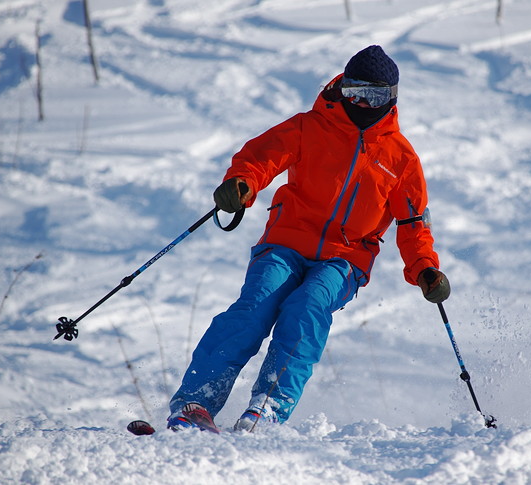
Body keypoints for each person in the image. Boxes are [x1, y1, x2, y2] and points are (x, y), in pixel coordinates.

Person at [168, 45, 450, 432]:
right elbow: (260, 157)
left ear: (393, 98)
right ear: (342, 86)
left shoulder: (401, 159)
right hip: (285, 242)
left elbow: (413, 224)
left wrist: (425, 268)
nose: (364, 104)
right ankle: (195, 402)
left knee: (307, 307)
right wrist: (241, 184)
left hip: (346, 258)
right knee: (255, 306)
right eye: (355, 92)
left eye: (376, 96)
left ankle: (267, 407)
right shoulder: (309, 126)